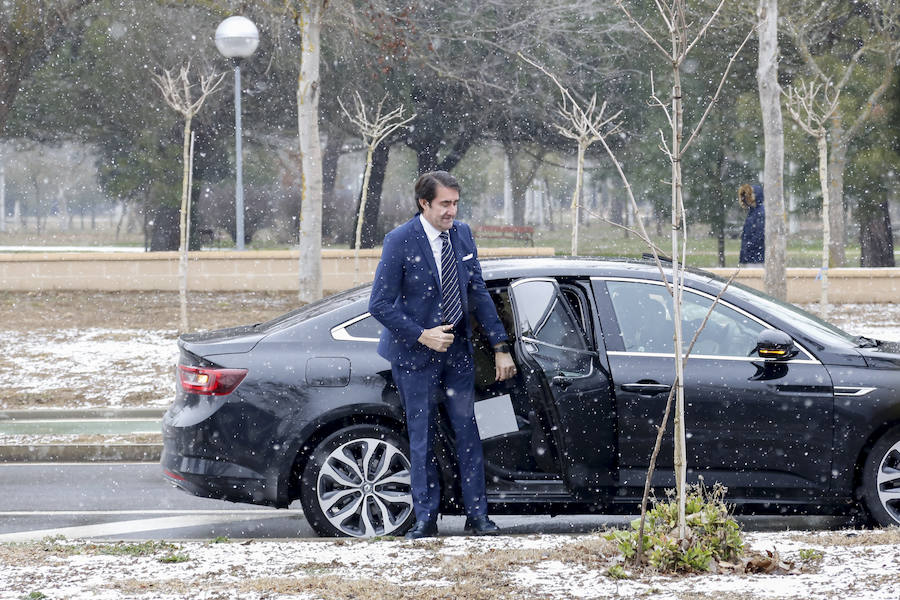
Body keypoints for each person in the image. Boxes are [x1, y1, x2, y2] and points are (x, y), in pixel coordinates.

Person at [368, 170, 517, 539]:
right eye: (445, 204)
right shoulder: (400, 240)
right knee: (421, 437)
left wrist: (501, 347)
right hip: (415, 356)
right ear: (424, 203)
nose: (452, 211)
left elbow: (478, 291)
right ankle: (425, 518)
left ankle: (478, 515)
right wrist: (422, 335)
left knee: (469, 432)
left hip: (458, 354)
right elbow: (380, 304)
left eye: (455, 203)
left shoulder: (462, 234)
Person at [739, 183, 765, 264]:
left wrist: (748, 247)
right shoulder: (753, 212)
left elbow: (760, 234)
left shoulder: (760, 212)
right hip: (752, 256)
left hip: (756, 257)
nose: (746, 199)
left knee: (755, 275)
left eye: (749, 196)